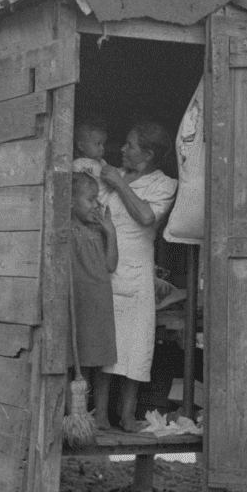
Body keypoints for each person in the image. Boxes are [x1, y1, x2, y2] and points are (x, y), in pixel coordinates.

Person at [100, 121, 177, 431]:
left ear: (147, 154)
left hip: (136, 272)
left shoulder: (164, 185)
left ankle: (128, 415)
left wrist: (119, 184)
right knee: (106, 345)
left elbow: (146, 217)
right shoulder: (109, 176)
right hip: (105, 266)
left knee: (136, 345)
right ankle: (102, 416)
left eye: (130, 145)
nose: (122, 149)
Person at [69, 172, 118, 429]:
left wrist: (111, 232)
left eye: (97, 200)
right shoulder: (66, 229)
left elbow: (110, 265)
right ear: (69, 202)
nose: (96, 206)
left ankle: (101, 416)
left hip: (100, 300)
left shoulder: (97, 230)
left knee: (102, 360)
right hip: (80, 301)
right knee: (81, 361)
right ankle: (78, 417)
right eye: (90, 200)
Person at [72, 117, 110, 202]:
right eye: (98, 144)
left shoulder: (102, 162)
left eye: (103, 144)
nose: (102, 148)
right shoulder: (79, 164)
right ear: (81, 146)